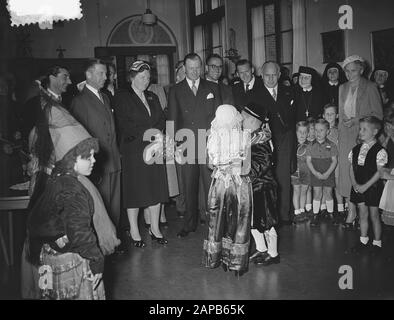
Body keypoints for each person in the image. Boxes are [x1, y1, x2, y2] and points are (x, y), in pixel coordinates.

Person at [26, 117, 106, 300]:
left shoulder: (57, 177)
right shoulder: (73, 190)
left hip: (49, 255)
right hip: (70, 260)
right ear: (71, 159)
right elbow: (79, 231)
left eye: (93, 155)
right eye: (87, 157)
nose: (94, 160)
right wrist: (97, 260)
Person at [113, 61, 169, 247]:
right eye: (142, 77)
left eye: (148, 77)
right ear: (132, 77)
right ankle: (135, 232)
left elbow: (161, 118)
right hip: (134, 150)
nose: (146, 81)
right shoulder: (122, 96)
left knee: (156, 188)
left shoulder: (152, 96)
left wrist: (157, 135)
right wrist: (150, 135)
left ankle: (155, 228)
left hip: (154, 149)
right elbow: (125, 125)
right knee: (135, 191)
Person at [168, 53, 221, 238]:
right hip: (187, 145)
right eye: (191, 68)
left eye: (198, 67)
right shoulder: (175, 90)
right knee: (188, 187)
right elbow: (172, 119)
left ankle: (214, 224)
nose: (195, 71)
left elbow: (219, 118)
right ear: (184, 68)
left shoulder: (212, 87)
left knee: (211, 187)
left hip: (208, 145)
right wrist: (172, 146)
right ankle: (189, 223)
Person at [71, 59, 122, 239]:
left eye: (106, 73)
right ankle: (102, 244)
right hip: (97, 163)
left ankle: (113, 241)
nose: (105, 77)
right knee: (100, 207)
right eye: (101, 73)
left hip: (113, 159)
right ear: (88, 75)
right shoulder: (79, 101)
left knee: (114, 205)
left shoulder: (105, 97)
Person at [203, 104, 252, 276]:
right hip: (238, 183)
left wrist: (222, 167)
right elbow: (247, 166)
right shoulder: (243, 136)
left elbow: (210, 165)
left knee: (220, 221)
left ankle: (222, 258)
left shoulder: (213, 136)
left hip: (223, 184)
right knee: (238, 222)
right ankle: (236, 262)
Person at [338, 55, 383, 228]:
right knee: (347, 172)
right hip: (345, 135)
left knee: (361, 173)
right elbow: (341, 115)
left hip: (364, 136)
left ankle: (363, 210)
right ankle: (351, 211)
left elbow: (378, 115)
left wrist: (357, 120)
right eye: (347, 71)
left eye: (354, 71)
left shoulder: (371, 87)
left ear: (362, 70)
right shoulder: (342, 87)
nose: (350, 74)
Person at [242, 106, 280, 266]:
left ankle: (273, 253)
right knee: (253, 221)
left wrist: (241, 173)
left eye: (243, 118)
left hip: (263, 188)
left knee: (267, 222)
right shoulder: (252, 137)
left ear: (252, 121)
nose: (240, 121)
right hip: (253, 187)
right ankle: (261, 248)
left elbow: (261, 165)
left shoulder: (261, 140)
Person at [259, 61, 296, 224]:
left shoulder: (290, 92)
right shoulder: (255, 94)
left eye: (274, 75)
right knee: (266, 179)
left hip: (286, 140)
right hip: (264, 142)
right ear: (262, 75)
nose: (271, 78)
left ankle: (284, 215)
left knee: (284, 178)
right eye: (267, 75)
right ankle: (268, 215)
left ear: (280, 75)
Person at [347, 116, 387, 254]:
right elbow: (351, 168)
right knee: (362, 214)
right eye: (360, 128)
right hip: (358, 187)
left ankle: (377, 243)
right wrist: (355, 184)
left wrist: (366, 186)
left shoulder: (380, 151)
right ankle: (363, 240)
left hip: (372, 188)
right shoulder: (356, 149)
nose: (361, 131)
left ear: (375, 131)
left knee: (374, 215)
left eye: (365, 129)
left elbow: (380, 172)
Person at [306, 119, 338, 226]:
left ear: (328, 131)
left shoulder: (332, 145)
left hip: (328, 173)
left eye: (321, 130)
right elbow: (309, 161)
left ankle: (330, 213)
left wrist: (328, 173)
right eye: (316, 130)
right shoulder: (310, 145)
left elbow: (334, 161)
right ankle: (315, 214)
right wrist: (315, 173)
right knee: (317, 193)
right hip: (316, 173)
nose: (318, 133)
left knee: (328, 193)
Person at [323, 104, 345, 224]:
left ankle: (341, 210)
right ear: (323, 115)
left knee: (338, 186)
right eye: (327, 113)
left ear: (337, 115)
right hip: (324, 162)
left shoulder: (339, 131)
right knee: (327, 188)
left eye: (332, 114)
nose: (329, 116)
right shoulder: (320, 130)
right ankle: (329, 211)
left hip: (336, 162)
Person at [291, 121, 310, 223]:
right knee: (296, 191)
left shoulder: (310, 145)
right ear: (296, 132)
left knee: (304, 192)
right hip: (295, 172)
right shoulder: (293, 145)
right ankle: (297, 212)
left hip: (306, 173)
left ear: (308, 133)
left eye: (304, 132)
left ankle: (302, 211)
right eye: (300, 132)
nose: (302, 135)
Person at [379, 109, 394, 226]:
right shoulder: (386, 137)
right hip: (388, 167)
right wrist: (388, 137)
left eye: (390, 126)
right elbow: (382, 150)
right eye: (386, 126)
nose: (387, 128)